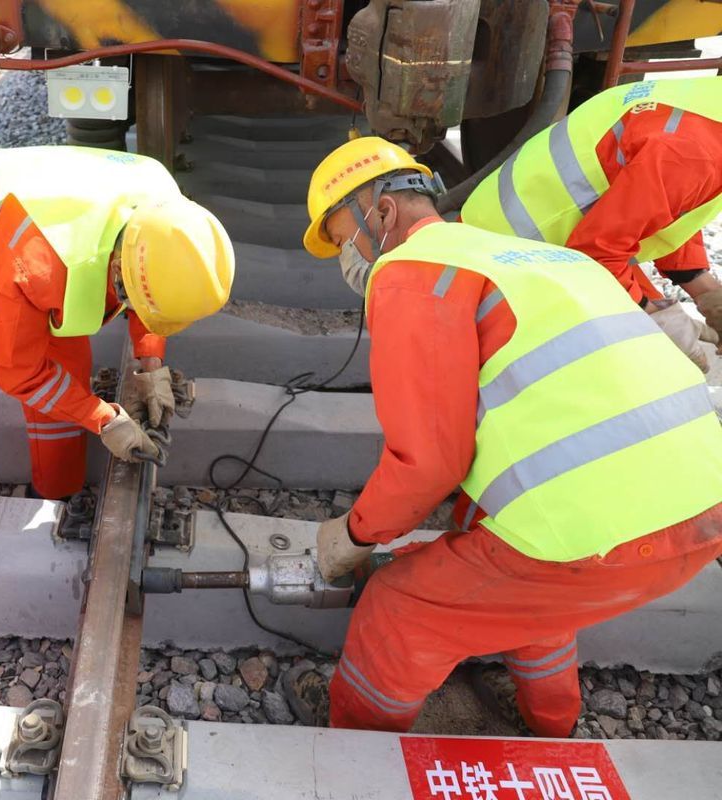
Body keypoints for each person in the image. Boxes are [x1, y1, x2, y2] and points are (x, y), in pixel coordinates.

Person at [284, 137, 722, 737]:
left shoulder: (414, 273)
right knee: (526, 585)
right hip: (701, 514)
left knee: (399, 609)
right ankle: (552, 723)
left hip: (596, 542)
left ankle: (360, 744)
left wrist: (354, 535)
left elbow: (428, 463)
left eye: (341, 238)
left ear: (382, 212)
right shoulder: (540, 258)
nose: (347, 258)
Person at [0, 145, 234, 579]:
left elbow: (149, 297)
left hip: (26, 244)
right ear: (118, 271)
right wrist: (103, 419)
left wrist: (151, 364)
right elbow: (17, 371)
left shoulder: (165, 214)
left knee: (65, 377)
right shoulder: (37, 259)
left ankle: (53, 494)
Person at [461, 77, 722, 371]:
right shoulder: (694, 153)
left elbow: (666, 204)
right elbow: (597, 253)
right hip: (508, 254)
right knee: (646, 368)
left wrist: (704, 288)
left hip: (535, 229)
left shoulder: (708, 108)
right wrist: (656, 321)